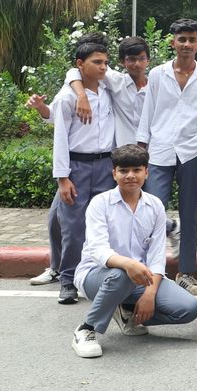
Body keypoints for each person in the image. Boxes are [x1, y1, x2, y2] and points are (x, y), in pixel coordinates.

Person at [71, 144, 197, 358]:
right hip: (97, 276)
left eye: (136, 170)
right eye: (123, 170)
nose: (130, 175)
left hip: (141, 278)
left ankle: (127, 314)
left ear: (146, 172)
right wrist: (128, 264)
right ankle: (86, 329)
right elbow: (98, 250)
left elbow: (157, 256)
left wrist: (150, 293)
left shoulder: (155, 206)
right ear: (114, 173)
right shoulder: (100, 204)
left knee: (188, 308)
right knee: (122, 274)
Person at [135, 18, 197, 295]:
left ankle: (186, 273)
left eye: (192, 40)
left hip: (192, 150)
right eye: (182, 39)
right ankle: (151, 270)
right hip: (159, 149)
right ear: (173, 42)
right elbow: (148, 110)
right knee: (153, 209)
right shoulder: (158, 74)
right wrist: (142, 146)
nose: (187, 44)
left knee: (189, 212)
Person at [51, 39, 117, 305]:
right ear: (80, 64)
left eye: (105, 62)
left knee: (105, 223)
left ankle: (100, 274)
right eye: (97, 62)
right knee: (74, 226)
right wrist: (63, 178)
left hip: (106, 165)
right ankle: (67, 280)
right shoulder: (67, 97)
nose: (103, 67)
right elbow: (60, 139)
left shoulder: (108, 90)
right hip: (77, 166)